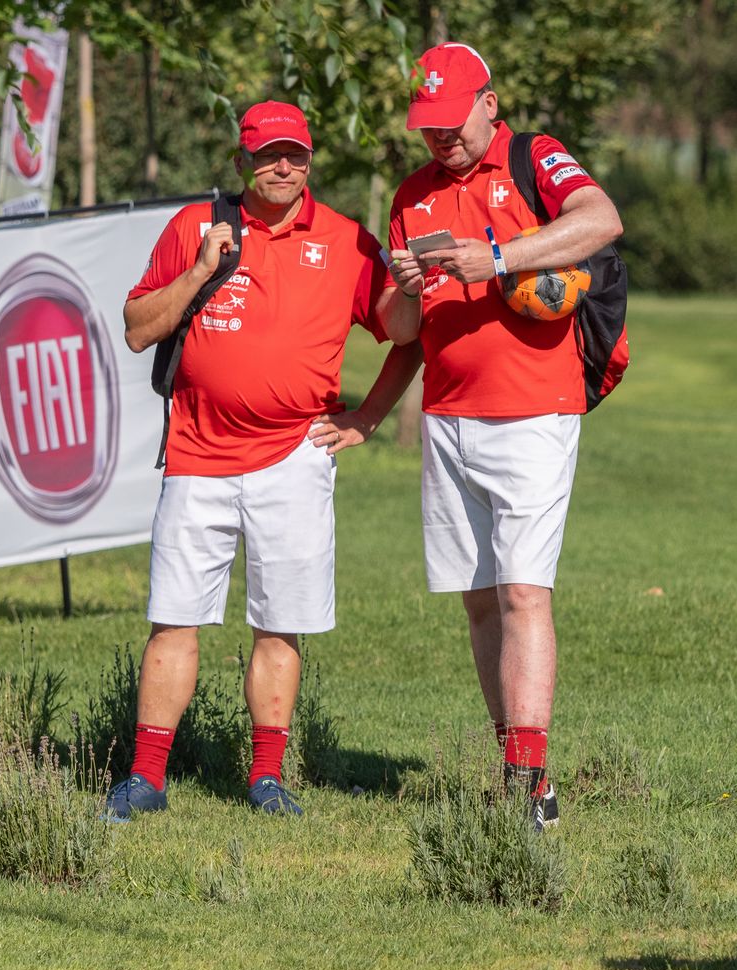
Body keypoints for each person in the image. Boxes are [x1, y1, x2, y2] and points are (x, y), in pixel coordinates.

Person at [319, 43, 623, 829]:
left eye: (452, 122)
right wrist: (372, 406)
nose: (440, 138)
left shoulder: (536, 157)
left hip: (534, 410)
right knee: (481, 602)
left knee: (525, 590)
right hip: (448, 418)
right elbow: (412, 334)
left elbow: (600, 220)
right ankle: (514, 767)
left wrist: (492, 258)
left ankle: (533, 789)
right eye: (428, 126)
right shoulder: (412, 195)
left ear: (490, 101)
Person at [107, 100, 411, 819]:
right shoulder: (195, 226)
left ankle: (266, 778)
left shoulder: (345, 240)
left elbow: (401, 328)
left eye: (297, 155)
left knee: (281, 623)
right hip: (197, 451)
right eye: (270, 154)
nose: (285, 166)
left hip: (295, 455)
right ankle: (147, 778)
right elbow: (137, 329)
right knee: (174, 619)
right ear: (243, 161)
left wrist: (368, 415)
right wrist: (200, 270)